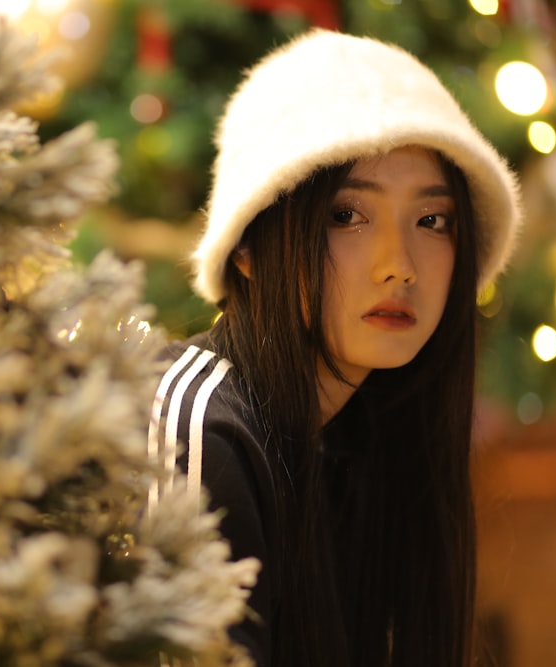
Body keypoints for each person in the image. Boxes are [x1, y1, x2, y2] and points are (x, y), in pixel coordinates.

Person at [148, 29, 522, 667]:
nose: (398, 266)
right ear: (246, 245)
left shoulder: (368, 435)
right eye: (346, 215)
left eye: (432, 221)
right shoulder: (197, 430)